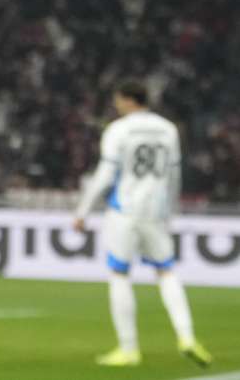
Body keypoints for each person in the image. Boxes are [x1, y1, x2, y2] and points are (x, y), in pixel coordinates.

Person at [73, 79, 212, 368]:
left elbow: (105, 174)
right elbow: (174, 175)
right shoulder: (168, 129)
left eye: (117, 100)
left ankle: (128, 349)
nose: (115, 105)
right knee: (167, 273)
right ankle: (186, 337)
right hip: (156, 212)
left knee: (120, 275)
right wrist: (170, 210)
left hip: (124, 211)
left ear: (126, 100)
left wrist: (82, 211)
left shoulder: (118, 130)